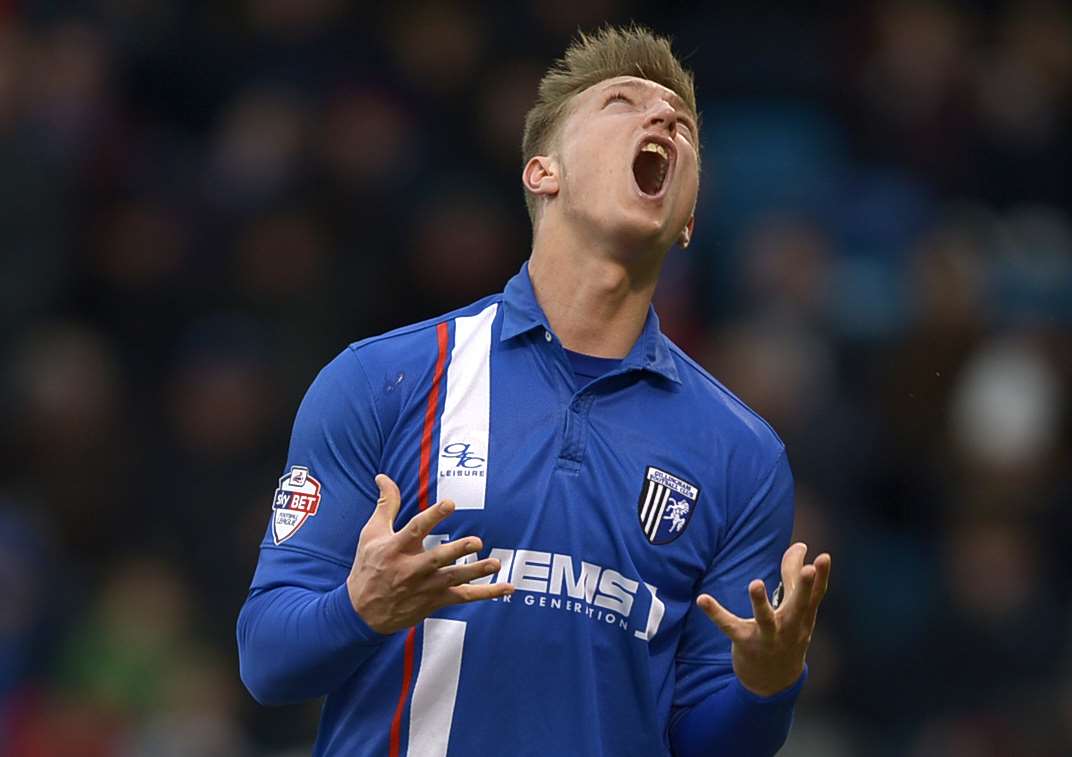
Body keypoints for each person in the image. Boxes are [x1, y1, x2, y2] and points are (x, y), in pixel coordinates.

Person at [237, 24, 831, 757]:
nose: (663, 121)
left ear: (688, 222)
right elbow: (266, 659)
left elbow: (708, 743)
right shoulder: (383, 379)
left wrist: (768, 684)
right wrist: (360, 608)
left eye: (682, 125)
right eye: (621, 102)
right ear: (541, 171)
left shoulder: (739, 453)